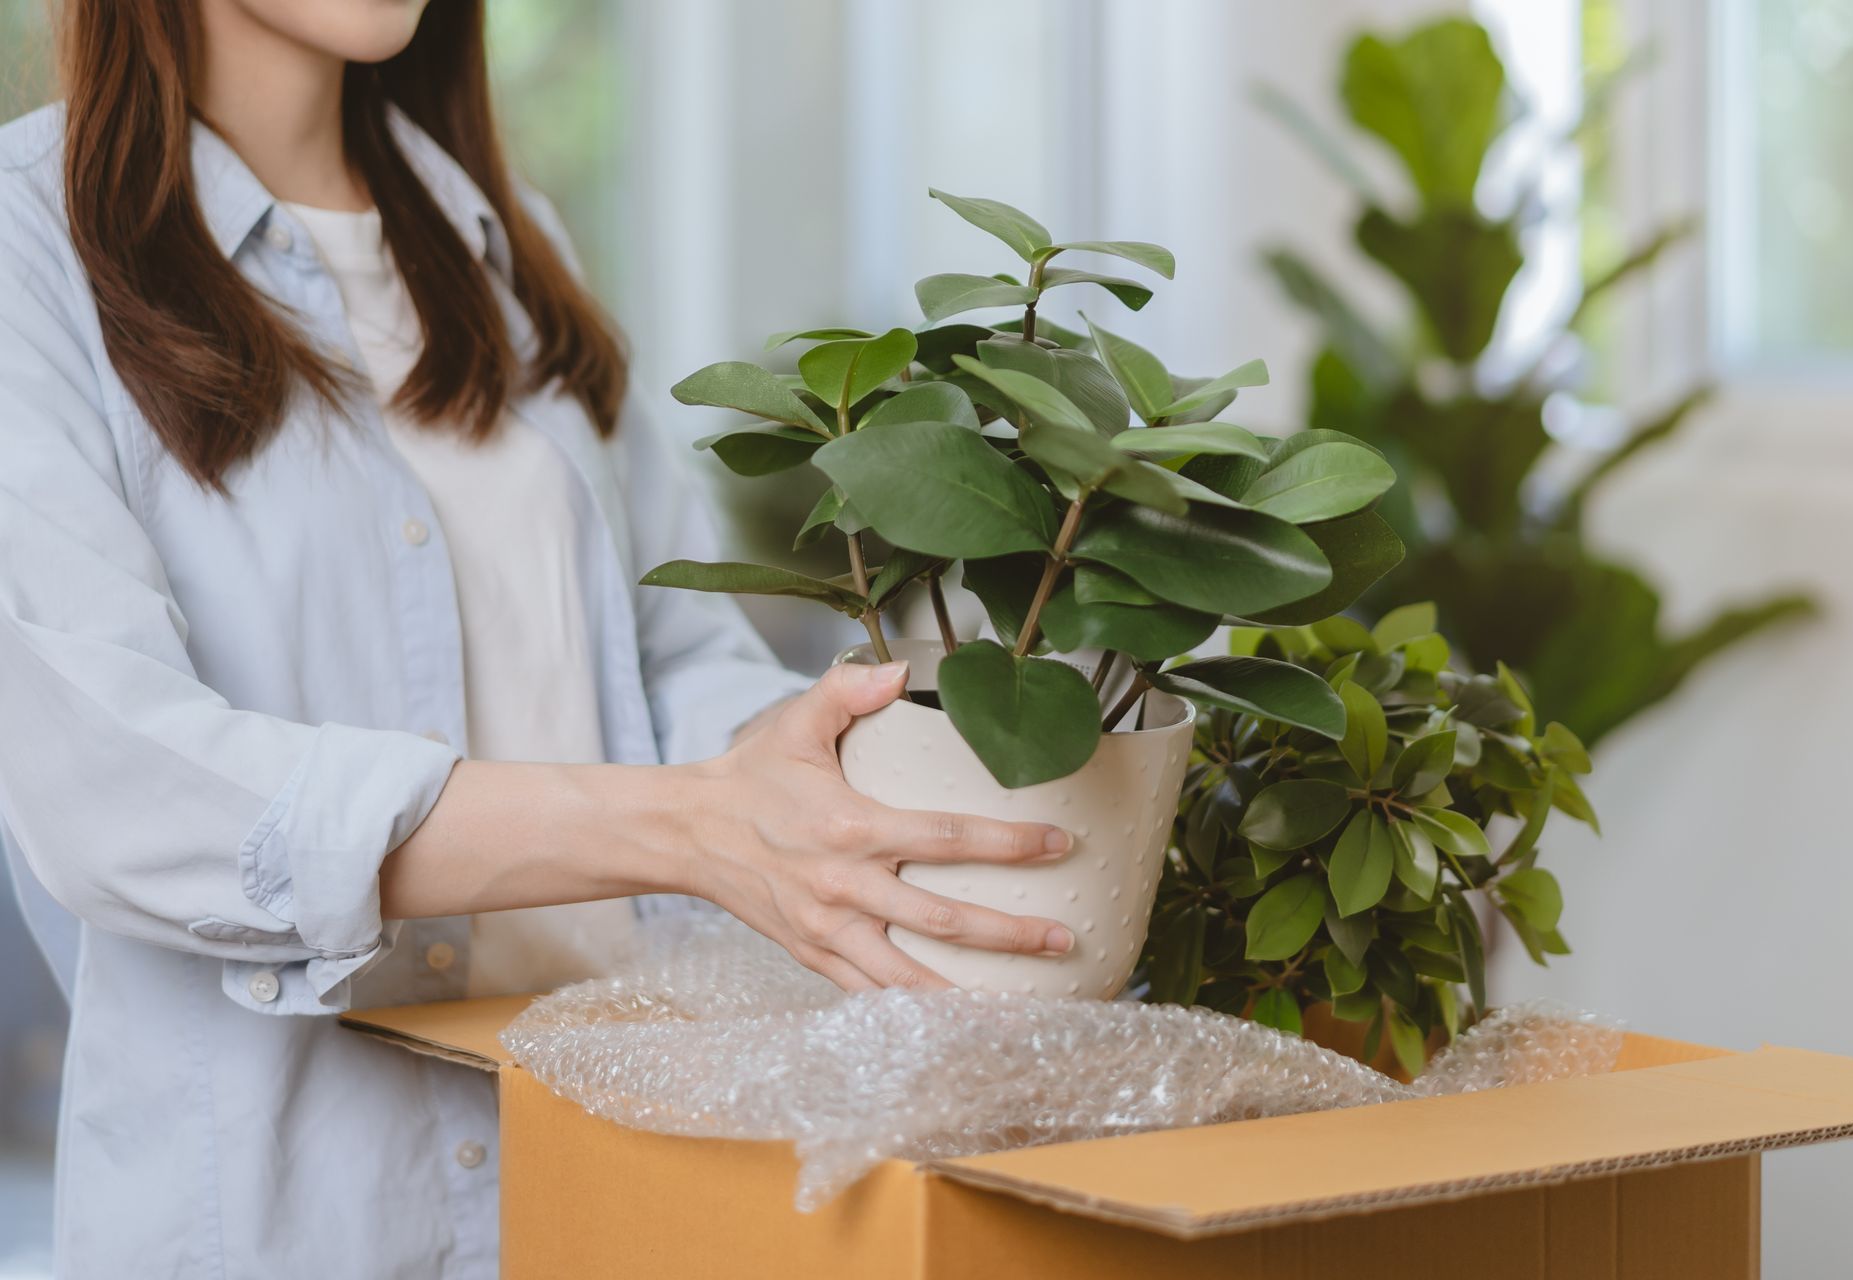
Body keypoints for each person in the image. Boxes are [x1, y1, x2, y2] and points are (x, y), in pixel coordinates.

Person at [0, 1, 1079, 1274]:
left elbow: (669, 658)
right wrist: (688, 825)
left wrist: (832, 766)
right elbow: (125, 795)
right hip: (293, 1227)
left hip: (611, 1190)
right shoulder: (32, 251)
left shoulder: (503, 243)